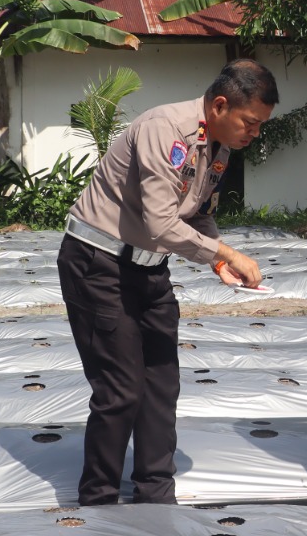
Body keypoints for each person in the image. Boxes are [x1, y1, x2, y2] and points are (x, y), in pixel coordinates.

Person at [58, 60, 277, 505]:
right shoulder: (165, 130)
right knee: (121, 387)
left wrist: (218, 265)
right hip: (99, 263)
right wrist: (228, 253)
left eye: (259, 126)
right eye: (250, 123)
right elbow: (159, 223)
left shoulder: (217, 146)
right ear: (220, 105)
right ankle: (98, 501)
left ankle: (156, 496)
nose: (254, 134)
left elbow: (198, 213)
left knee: (161, 382)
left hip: (148, 269)